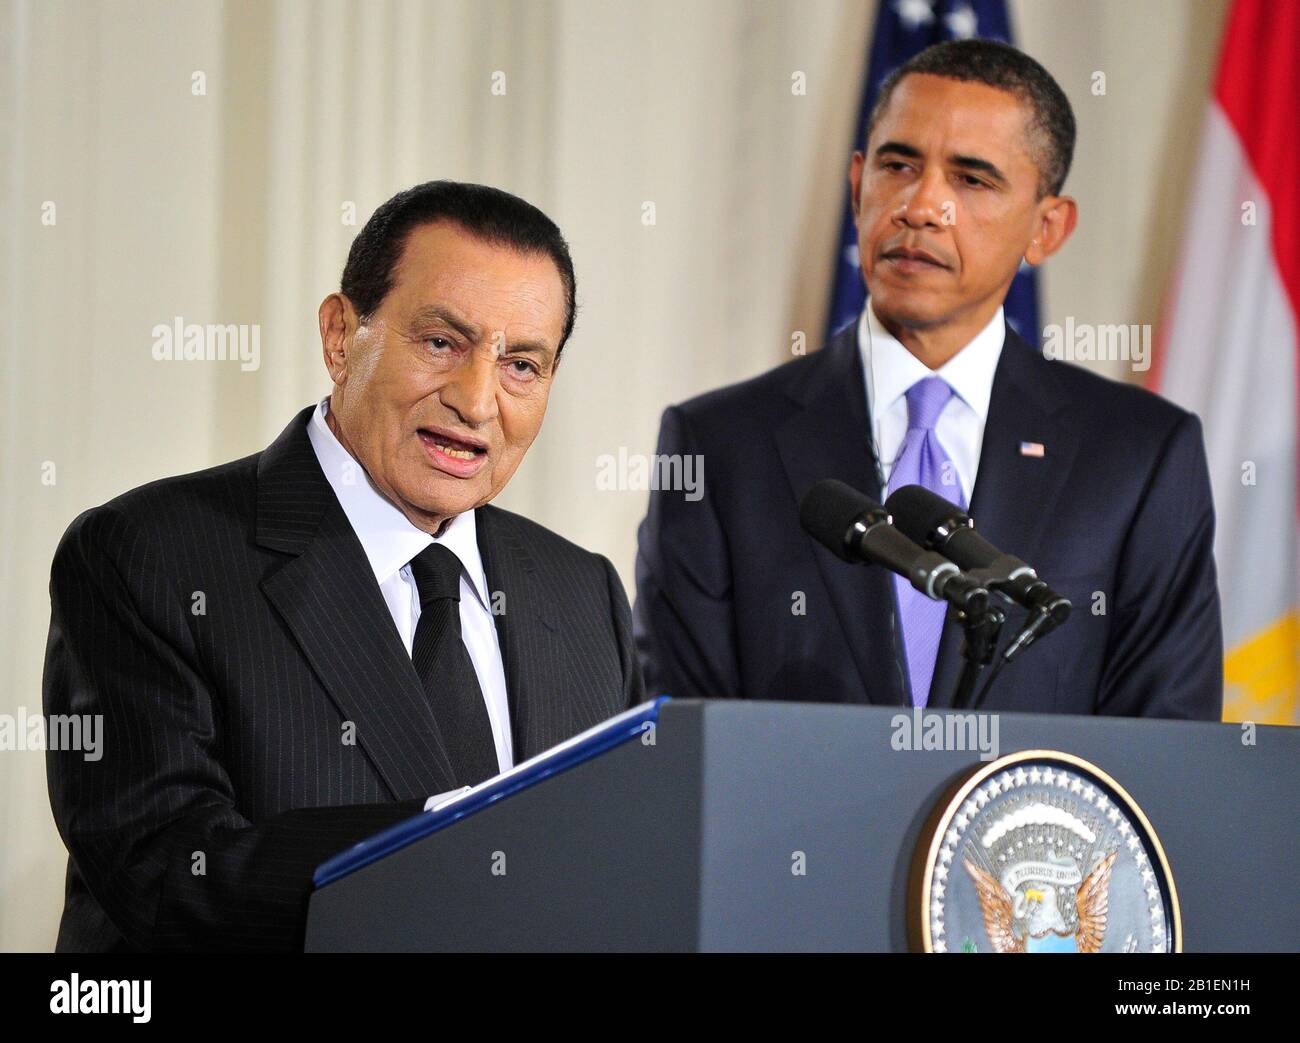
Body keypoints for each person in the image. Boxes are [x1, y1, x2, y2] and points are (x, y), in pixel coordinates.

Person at [44, 180, 644, 951]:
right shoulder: (146, 555)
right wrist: (448, 843)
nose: (477, 399)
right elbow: (164, 868)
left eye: (521, 364)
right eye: (441, 343)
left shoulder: (583, 592)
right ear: (339, 336)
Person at [634, 40, 1222, 720]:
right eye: (898, 165)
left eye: (972, 179)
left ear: (1047, 228)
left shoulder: (1141, 456)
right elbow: (686, 742)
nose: (921, 205)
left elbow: (1163, 751)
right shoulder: (714, 445)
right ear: (857, 186)